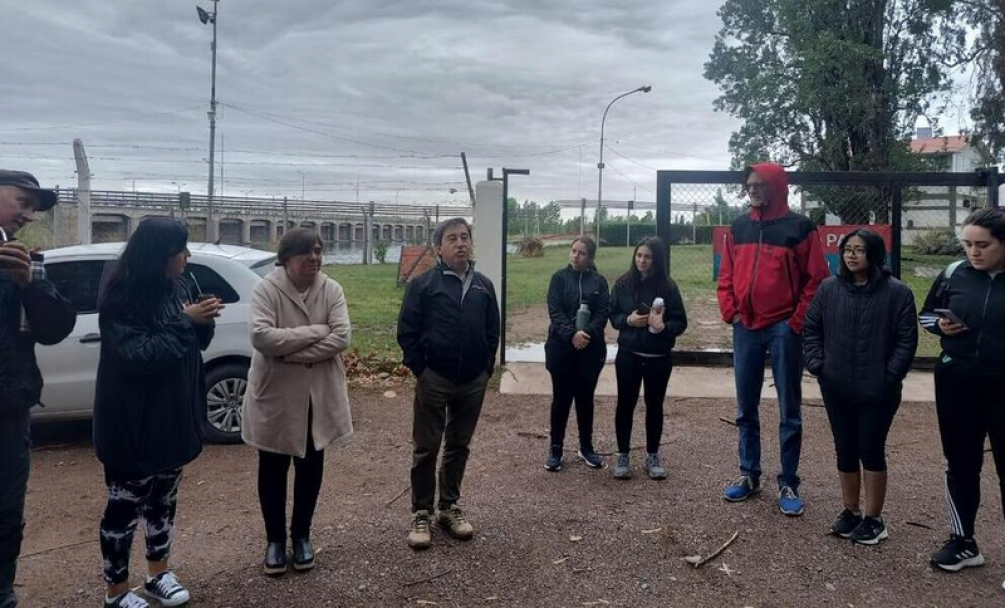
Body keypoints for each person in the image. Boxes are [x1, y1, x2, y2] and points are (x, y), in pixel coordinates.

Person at [93, 218, 223, 608]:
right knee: (124, 507)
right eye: (180, 250)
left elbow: (193, 344)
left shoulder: (180, 284)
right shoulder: (119, 296)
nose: (187, 256)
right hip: (131, 423)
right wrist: (186, 321)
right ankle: (115, 592)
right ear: (158, 256)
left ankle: (158, 573)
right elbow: (140, 355)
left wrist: (203, 320)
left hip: (173, 416)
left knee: (163, 501)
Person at [717, 162, 829, 516]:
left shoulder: (799, 228)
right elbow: (727, 274)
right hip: (745, 327)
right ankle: (749, 474)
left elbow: (817, 280)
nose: (752, 189)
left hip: (783, 327)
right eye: (749, 184)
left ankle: (789, 481)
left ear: (776, 186)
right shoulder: (738, 226)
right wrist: (731, 311)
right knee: (745, 407)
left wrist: (796, 321)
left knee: (788, 409)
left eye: (759, 184)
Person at [242, 228, 353, 576]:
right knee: (272, 467)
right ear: (286, 258)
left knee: (311, 466)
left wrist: (290, 353)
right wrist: (316, 332)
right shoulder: (266, 290)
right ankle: (274, 540)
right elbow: (262, 336)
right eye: (306, 253)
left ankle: (301, 535)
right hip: (276, 396)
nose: (315, 259)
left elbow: (342, 336)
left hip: (316, 395)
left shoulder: (331, 289)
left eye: (318, 252)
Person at [803, 229, 917, 545]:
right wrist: (819, 365)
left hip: (877, 389)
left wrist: (888, 377)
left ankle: (874, 519)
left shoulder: (897, 293)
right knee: (845, 447)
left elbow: (906, 341)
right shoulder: (829, 289)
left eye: (860, 250)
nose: (852, 255)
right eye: (847, 249)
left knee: (870, 447)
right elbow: (811, 328)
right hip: (836, 385)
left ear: (875, 254)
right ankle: (850, 511)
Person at [397, 217, 499, 550]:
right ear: (440, 247)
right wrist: (421, 370)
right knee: (426, 447)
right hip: (434, 378)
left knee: (459, 446)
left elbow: (492, 331)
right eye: (452, 238)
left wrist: (485, 369)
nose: (460, 243)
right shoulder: (424, 285)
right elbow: (407, 331)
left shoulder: (484, 285)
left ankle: (448, 507)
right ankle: (421, 512)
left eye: (465, 237)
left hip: (472, 381)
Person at [0, 171, 75, 608]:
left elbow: (56, 328)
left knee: (7, 508)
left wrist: (31, 284)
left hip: (10, 408)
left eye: (33, 206)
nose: (28, 214)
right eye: (21, 201)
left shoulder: (24, 262)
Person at [918, 206, 1005, 577]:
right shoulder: (954, 273)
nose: (973, 252)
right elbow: (925, 315)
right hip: (957, 383)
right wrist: (940, 325)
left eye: (982, 244)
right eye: (967, 244)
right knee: (961, 464)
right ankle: (963, 542)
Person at [608, 237, 687, 481]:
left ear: (657, 260)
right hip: (629, 354)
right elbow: (613, 315)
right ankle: (623, 455)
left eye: (648, 256)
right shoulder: (623, 283)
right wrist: (627, 320)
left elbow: (681, 322)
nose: (642, 260)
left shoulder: (668, 287)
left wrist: (663, 325)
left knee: (654, 406)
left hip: (658, 357)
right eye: (639, 255)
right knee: (625, 404)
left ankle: (653, 454)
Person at [544, 237, 610, 472]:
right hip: (561, 348)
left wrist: (587, 335)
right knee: (561, 399)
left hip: (590, 351)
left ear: (590, 257)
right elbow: (555, 310)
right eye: (573, 251)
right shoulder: (558, 279)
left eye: (581, 253)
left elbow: (603, 312)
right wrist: (571, 334)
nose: (575, 256)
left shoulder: (599, 282)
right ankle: (555, 449)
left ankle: (586, 446)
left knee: (585, 399)